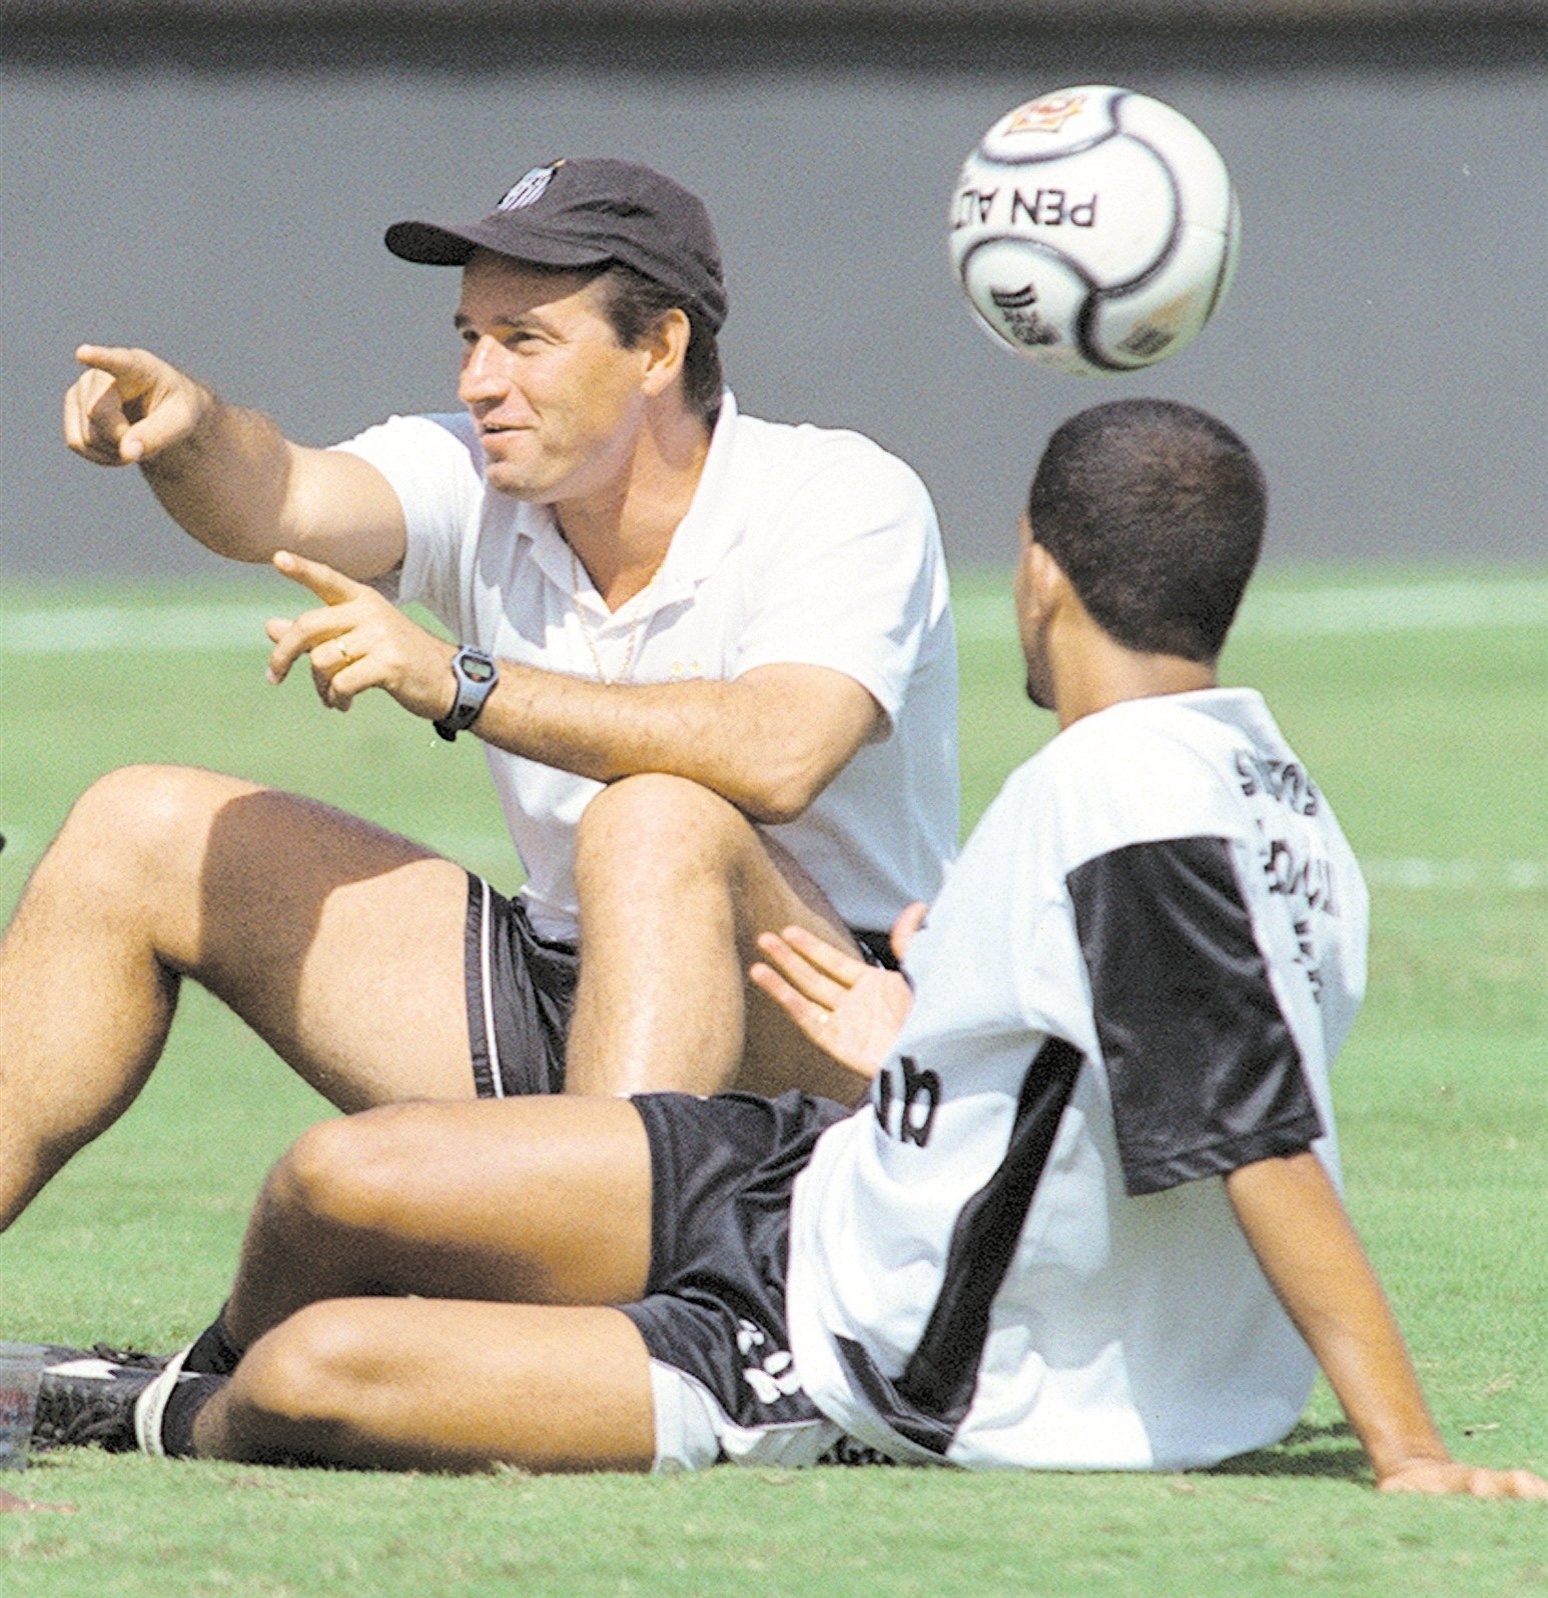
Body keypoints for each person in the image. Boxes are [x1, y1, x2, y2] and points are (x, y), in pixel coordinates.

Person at [30, 399, 1546, 1498]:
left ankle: (175, 1414)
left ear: (1037, 571)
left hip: (832, 1354)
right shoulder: (1266, 789)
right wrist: (934, 1048)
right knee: (334, 1179)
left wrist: (1407, 1447)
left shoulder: (1129, 795)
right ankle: (191, 1368)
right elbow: (1134, 1062)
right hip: (814, 1178)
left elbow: (1252, 1136)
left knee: (319, 1375)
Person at [0, 158, 958, 1230]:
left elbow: (781, 752)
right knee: (138, 825)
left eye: (525, 340)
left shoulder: (839, 493)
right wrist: (186, 430)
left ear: (660, 347)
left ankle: (593, 1302)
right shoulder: (470, 470)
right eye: (470, 336)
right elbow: (274, 493)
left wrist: (456, 677)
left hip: (820, 1038)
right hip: (555, 988)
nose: (478, 381)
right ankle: (573, 1228)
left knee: (656, 818)